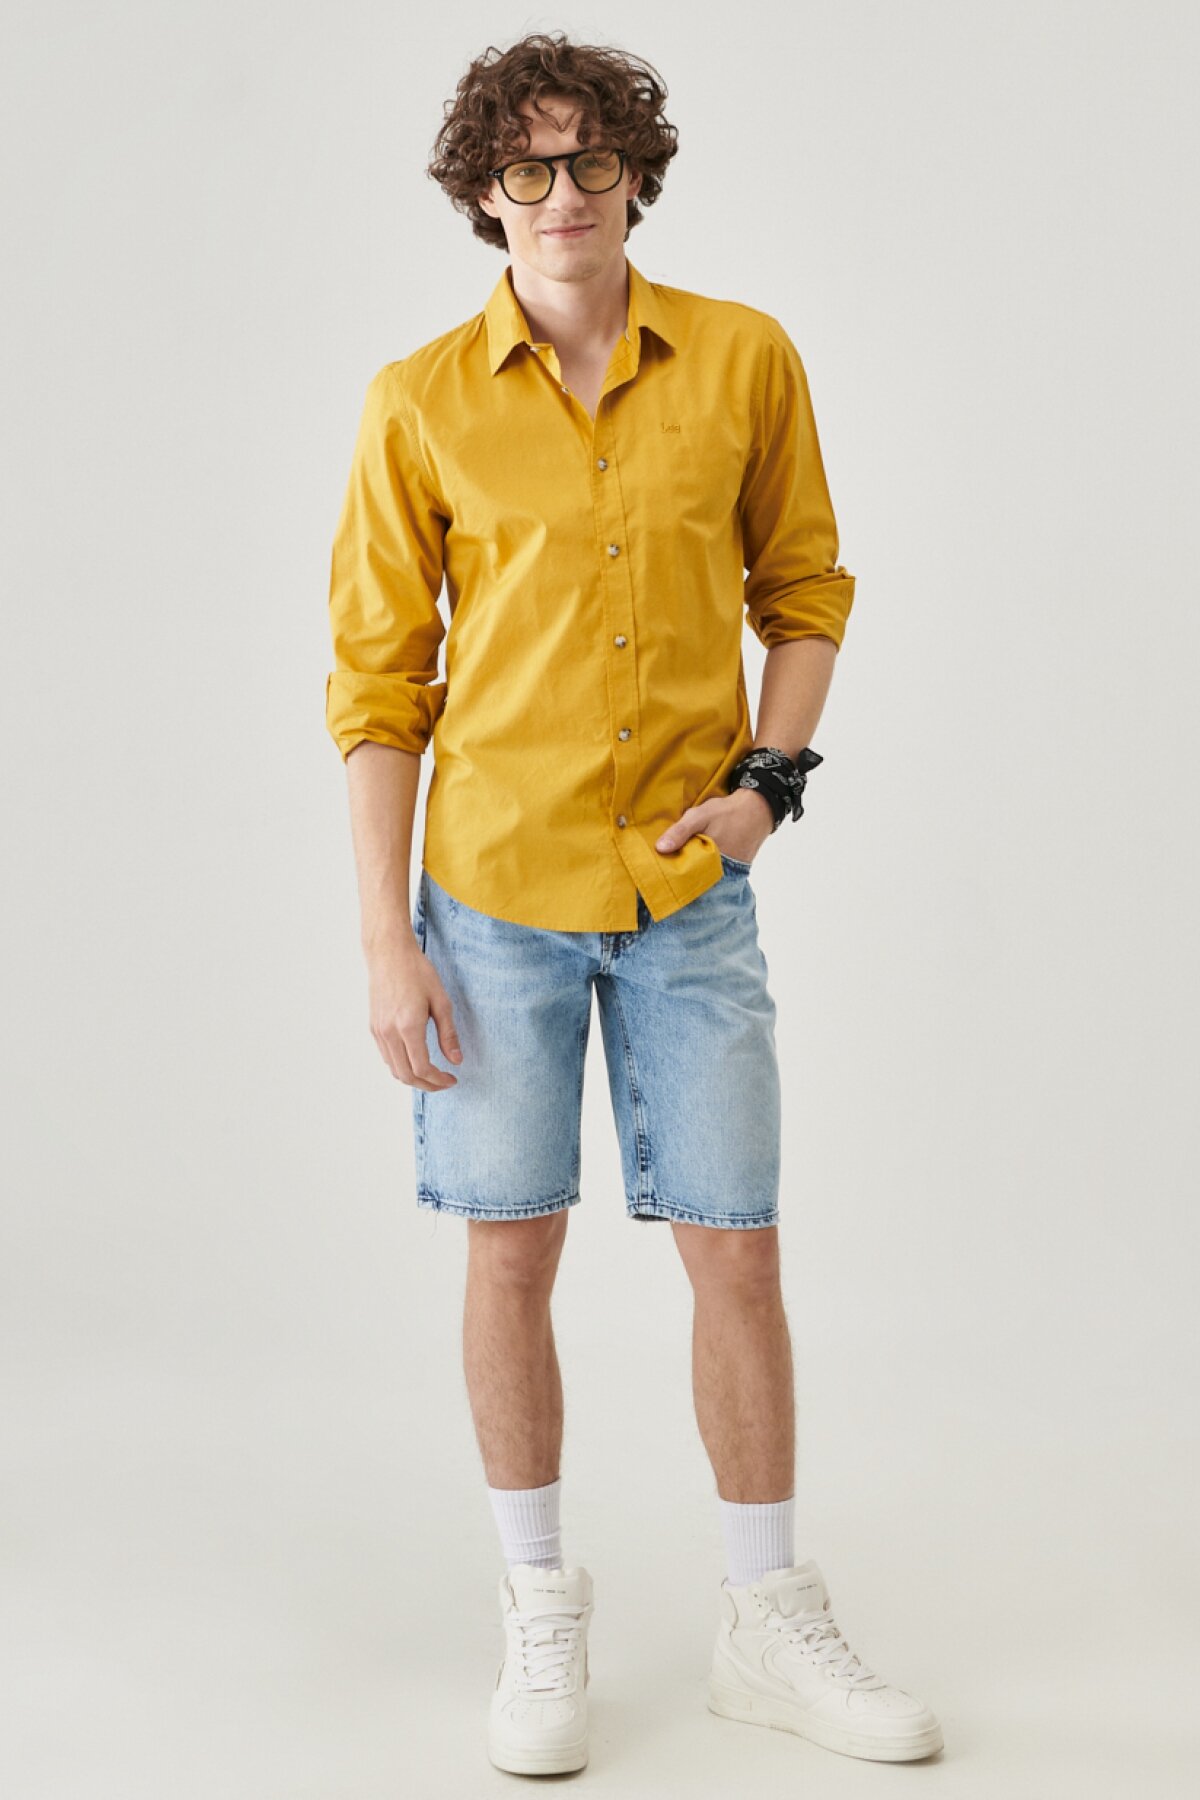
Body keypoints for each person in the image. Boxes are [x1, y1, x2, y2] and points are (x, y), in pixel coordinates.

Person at [325, 30, 943, 1777]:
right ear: (484, 192)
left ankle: (766, 1617)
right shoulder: (417, 402)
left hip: (688, 898)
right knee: (509, 1247)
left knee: (736, 1245)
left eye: (592, 159)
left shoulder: (743, 359)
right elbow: (378, 685)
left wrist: (767, 791)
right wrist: (385, 938)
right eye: (526, 167)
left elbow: (805, 589)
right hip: (490, 898)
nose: (563, 195)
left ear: (636, 175)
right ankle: (539, 1608)